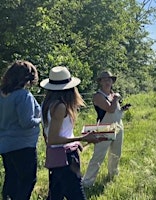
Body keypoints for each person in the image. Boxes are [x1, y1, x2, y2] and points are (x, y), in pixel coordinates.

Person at [40, 66, 99, 199]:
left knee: (56, 195)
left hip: (56, 156)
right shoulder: (60, 107)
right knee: (76, 195)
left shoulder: (47, 103)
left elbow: (47, 134)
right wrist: (81, 138)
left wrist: (77, 141)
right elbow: (53, 138)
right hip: (66, 158)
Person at [0, 60, 41, 200]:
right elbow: (26, 122)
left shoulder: (2, 95)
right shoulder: (24, 96)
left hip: (5, 145)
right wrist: (41, 120)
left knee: (11, 179)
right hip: (23, 145)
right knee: (27, 181)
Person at [82, 71, 130, 187]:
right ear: (100, 82)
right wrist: (116, 99)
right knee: (99, 155)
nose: (107, 82)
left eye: (109, 79)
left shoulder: (112, 95)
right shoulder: (98, 96)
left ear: (112, 81)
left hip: (118, 126)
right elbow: (110, 110)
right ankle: (87, 182)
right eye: (104, 80)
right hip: (104, 128)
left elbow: (116, 111)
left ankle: (112, 175)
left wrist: (122, 109)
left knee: (116, 153)